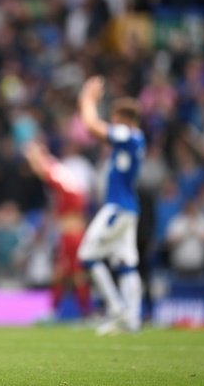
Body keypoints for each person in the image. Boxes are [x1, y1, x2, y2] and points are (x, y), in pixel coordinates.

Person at [76, 76, 146, 335]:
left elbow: (92, 126)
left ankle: (117, 309)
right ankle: (133, 318)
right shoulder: (136, 139)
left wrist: (87, 98)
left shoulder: (128, 134)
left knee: (87, 255)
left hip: (117, 207)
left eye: (114, 118)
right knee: (127, 263)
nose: (112, 122)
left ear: (123, 118)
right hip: (128, 208)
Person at [24, 141, 91, 319]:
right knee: (66, 273)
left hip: (72, 235)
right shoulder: (60, 171)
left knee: (73, 274)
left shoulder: (53, 171)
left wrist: (34, 157)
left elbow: (43, 171)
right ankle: (72, 312)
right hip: (71, 233)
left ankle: (80, 313)